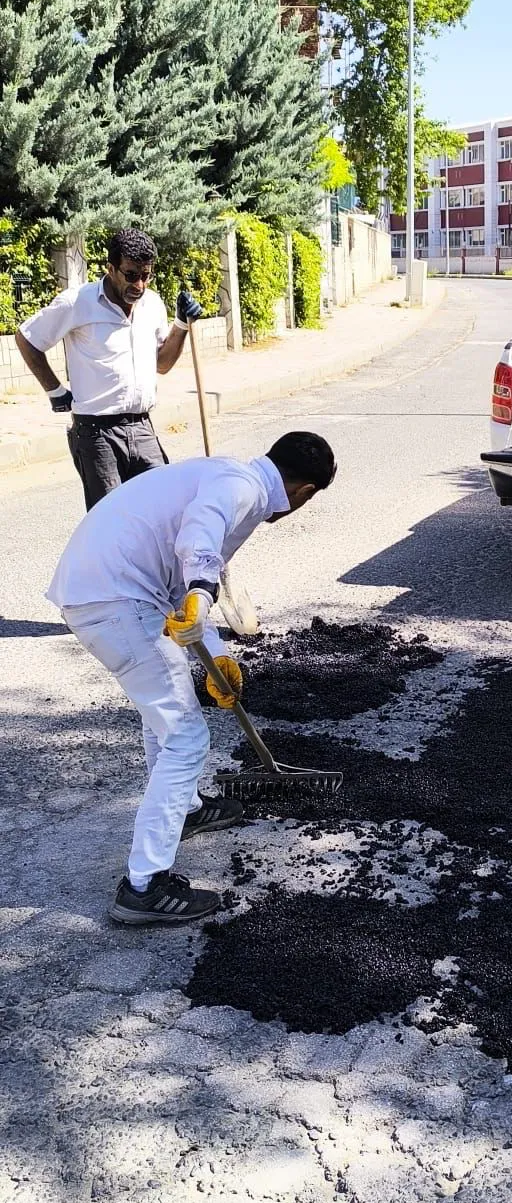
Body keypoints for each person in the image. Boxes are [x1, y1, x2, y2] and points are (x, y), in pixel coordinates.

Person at [47, 432, 337, 927]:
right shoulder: (243, 488)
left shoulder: (228, 474)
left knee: (166, 710)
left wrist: (217, 655)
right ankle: (144, 886)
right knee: (185, 736)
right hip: (116, 602)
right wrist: (202, 592)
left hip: (103, 593)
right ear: (305, 491)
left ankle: (186, 808)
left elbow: (186, 575)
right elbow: (197, 544)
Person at [15, 225, 203, 512]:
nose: (139, 285)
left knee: (163, 510)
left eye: (145, 276)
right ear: (110, 268)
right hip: (96, 433)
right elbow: (27, 338)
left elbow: (162, 364)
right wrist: (54, 391)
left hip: (142, 427)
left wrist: (180, 325)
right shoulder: (77, 302)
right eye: (131, 275)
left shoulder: (151, 304)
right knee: (110, 522)